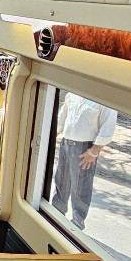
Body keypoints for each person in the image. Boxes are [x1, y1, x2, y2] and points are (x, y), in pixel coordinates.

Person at [51, 92, 117, 230]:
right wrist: (50, 137)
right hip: (66, 143)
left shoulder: (105, 98)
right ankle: (56, 215)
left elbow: (107, 128)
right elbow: (61, 119)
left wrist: (93, 152)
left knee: (80, 187)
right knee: (61, 180)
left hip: (85, 149)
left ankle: (77, 223)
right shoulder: (72, 94)